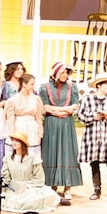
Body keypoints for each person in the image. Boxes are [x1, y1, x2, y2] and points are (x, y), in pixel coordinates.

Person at [38, 63, 85, 193]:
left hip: (66, 123)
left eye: (67, 73)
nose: (65, 75)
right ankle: (52, 184)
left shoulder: (72, 87)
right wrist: (61, 110)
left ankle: (67, 186)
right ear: (56, 73)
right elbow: (45, 107)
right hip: (51, 123)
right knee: (51, 151)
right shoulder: (44, 87)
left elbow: (74, 106)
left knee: (67, 152)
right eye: (62, 72)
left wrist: (60, 111)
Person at [77, 72, 107, 199]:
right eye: (105, 83)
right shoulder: (88, 98)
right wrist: (93, 117)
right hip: (93, 135)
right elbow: (80, 115)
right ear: (98, 85)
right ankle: (97, 189)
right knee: (94, 162)